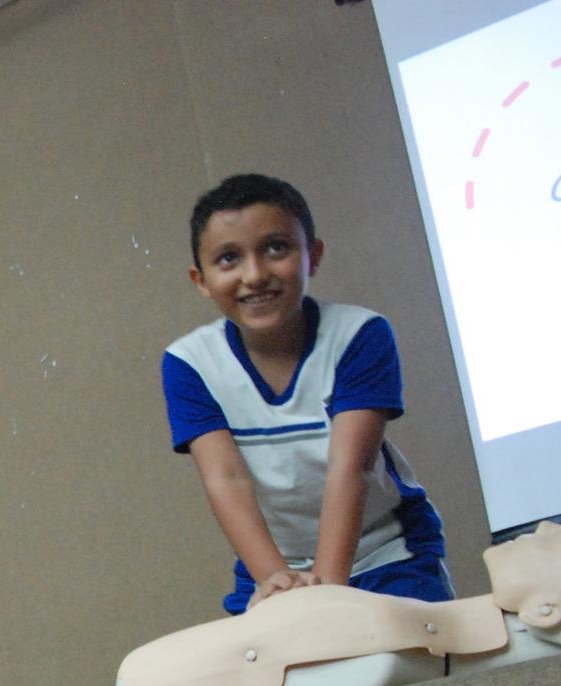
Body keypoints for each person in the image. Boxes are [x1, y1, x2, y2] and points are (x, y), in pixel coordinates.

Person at [162, 172, 453, 615]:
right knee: (270, 674)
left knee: (409, 670)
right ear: (200, 279)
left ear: (312, 256)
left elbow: (349, 468)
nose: (255, 274)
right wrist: (276, 583)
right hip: (275, 565)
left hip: (386, 552)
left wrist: (327, 596)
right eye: (228, 259)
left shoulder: (360, 335)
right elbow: (226, 479)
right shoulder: (188, 363)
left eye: (276, 248)